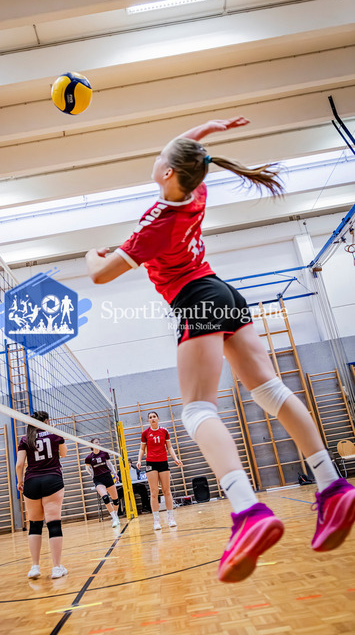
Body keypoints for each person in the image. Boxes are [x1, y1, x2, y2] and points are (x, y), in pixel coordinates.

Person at [85, 116, 355, 582]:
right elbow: (187, 153)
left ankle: (248, 511)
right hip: (226, 293)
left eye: (161, 156)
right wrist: (205, 130)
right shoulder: (196, 192)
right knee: (270, 390)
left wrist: (92, 255)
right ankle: (332, 487)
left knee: (196, 411)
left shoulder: (156, 221)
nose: (157, 156)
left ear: (168, 172)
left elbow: (100, 275)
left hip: (196, 299)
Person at [16, 410, 68, 580]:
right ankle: (56, 568)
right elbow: (63, 454)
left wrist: (20, 481)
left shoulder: (25, 439)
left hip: (32, 482)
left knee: (35, 525)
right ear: (46, 421)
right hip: (52, 480)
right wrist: (58, 435)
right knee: (54, 524)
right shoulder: (54, 434)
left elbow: (19, 465)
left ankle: (35, 567)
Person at [136, 411, 182, 530]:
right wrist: (139, 460)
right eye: (150, 417)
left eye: (154, 417)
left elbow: (169, 447)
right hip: (151, 463)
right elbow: (142, 449)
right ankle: (156, 521)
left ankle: (171, 518)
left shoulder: (164, 431)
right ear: (148, 420)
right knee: (154, 492)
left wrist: (176, 459)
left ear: (158, 418)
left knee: (167, 491)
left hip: (163, 462)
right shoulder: (145, 433)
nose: (152, 419)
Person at [85, 438, 121, 528]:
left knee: (116, 500)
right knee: (105, 498)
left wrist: (115, 474)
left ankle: (115, 516)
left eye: (99, 442)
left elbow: (109, 464)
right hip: (98, 479)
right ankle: (114, 518)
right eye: (96, 442)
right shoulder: (89, 458)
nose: (98, 444)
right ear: (92, 445)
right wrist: (92, 474)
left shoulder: (104, 453)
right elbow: (87, 468)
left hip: (107, 477)